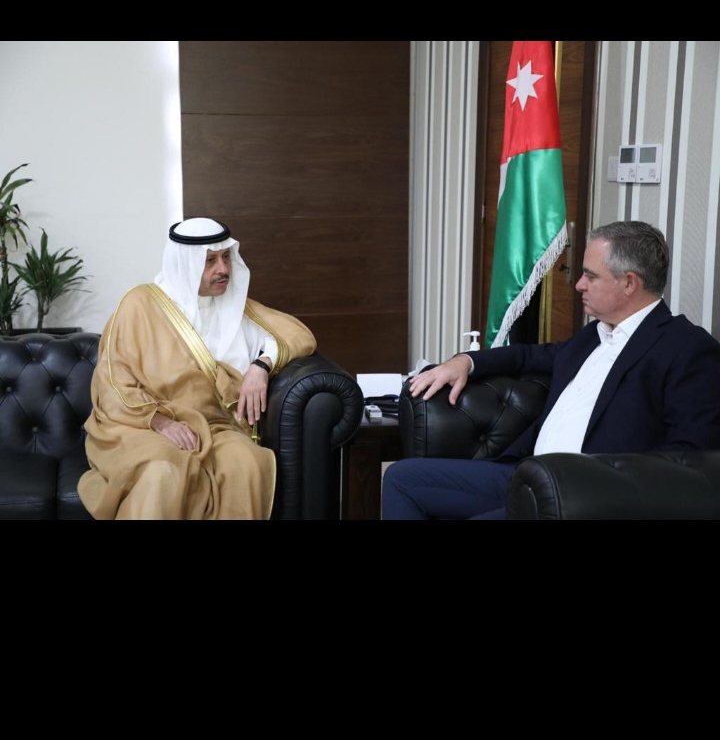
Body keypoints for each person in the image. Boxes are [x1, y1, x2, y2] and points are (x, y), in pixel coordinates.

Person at [382, 221, 720, 520]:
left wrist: (607, 482)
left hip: (585, 497)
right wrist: (465, 362)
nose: (579, 285)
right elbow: (528, 356)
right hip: (525, 475)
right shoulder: (594, 334)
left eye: (590, 276)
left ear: (629, 283)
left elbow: (688, 456)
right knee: (401, 479)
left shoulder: (686, 348)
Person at [78, 218, 316, 520]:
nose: (224, 269)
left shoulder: (236, 309)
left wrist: (261, 366)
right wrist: (162, 423)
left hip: (216, 427)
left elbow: (298, 336)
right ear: (185, 264)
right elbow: (113, 383)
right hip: (143, 423)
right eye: (210, 261)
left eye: (226, 257)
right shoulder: (139, 305)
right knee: (165, 470)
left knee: (247, 462)